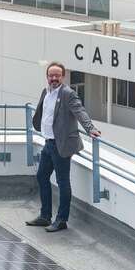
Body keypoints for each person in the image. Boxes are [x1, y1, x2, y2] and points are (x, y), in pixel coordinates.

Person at [26, 62, 100, 232]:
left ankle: (61, 220)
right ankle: (45, 216)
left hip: (62, 145)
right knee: (42, 176)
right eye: (51, 75)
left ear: (63, 76)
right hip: (48, 143)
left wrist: (90, 128)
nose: (54, 78)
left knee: (62, 182)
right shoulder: (46, 91)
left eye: (57, 75)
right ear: (47, 77)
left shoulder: (68, 94)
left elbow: (80, 112)